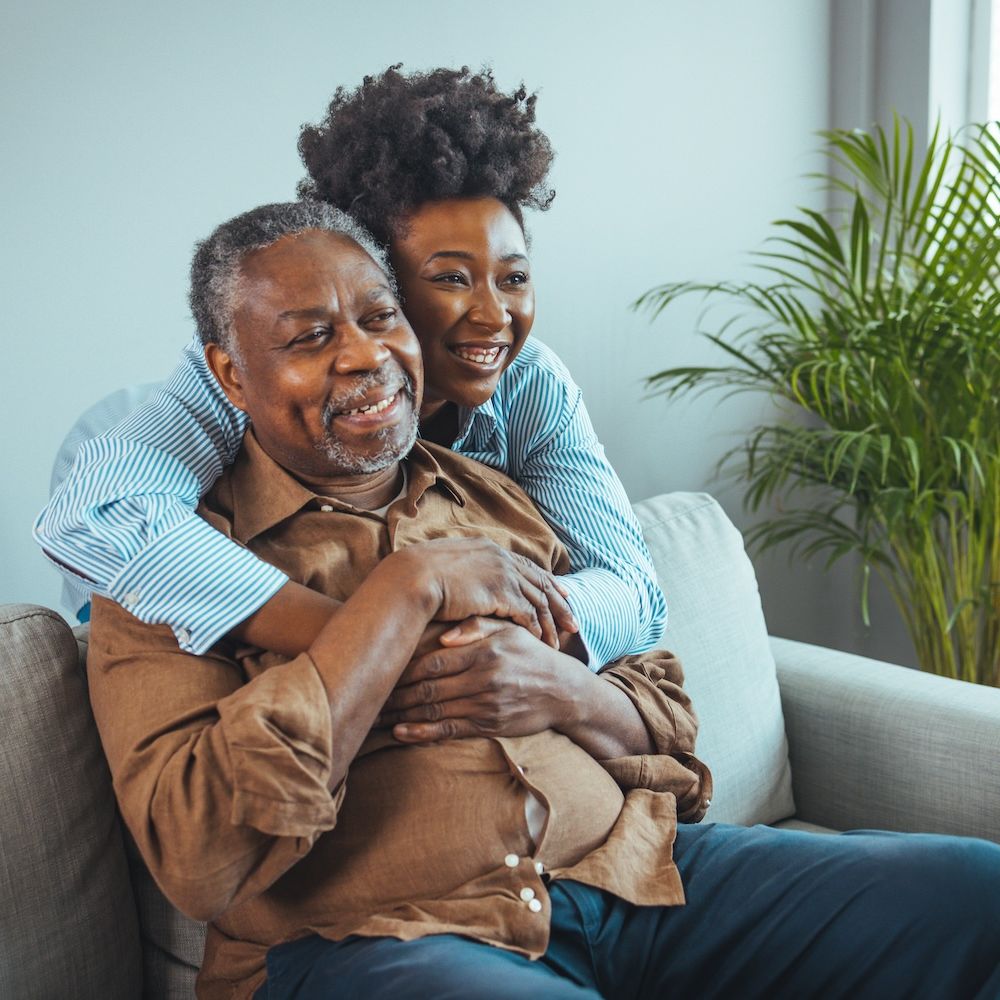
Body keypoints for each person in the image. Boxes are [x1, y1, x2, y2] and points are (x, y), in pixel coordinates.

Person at [88, 202, 1000, 1000]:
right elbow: (199, 855)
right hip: (382, 942)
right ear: (231, 372)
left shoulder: (495, 493)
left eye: (379, 317)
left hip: (641, 883)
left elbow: (670, 729)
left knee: (974, 891)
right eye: (309, 336)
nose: (365, 354)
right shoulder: (166, 568)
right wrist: (403, 596)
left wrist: (567, 692)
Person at [34, 66, 664, 671]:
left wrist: (496, 637)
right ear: (371, 279)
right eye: (451, 278)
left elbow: (635, 593)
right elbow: (93, 515)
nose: (494, 315)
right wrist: (379, 639)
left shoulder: (532, 383)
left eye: (515, 277)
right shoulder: (231, 386)